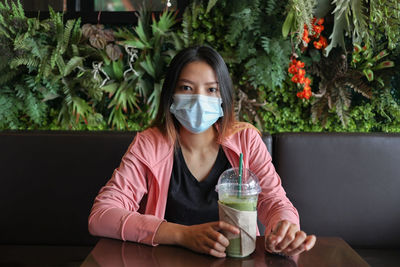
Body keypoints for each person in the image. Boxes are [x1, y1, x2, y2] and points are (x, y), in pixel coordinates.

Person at [88, 45, 316, 258]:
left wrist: (284, 227)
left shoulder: (246, 141)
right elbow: (101, 215)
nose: (199, 99)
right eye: (187, 88)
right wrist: (182, 235)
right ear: (171, 95)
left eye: (211, 89)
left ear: (222, 97)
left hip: (237, 260)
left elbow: (275, 202)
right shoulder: (149, 145)